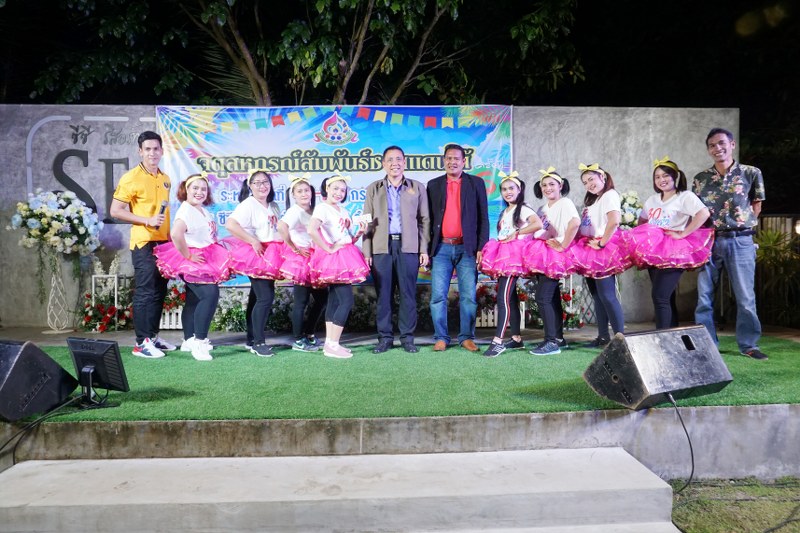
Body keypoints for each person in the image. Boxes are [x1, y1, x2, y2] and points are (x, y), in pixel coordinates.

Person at [692, 128, 768, 360]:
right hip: (710, 241)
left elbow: (756, 204)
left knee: (745, 297)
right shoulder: (700, 179)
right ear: (708, 150)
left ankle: (749, 344)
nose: (718, 148)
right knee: (704, 297)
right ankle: (707, 345)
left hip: (741, 240)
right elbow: (696, 211)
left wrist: (743, 226)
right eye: (712, 145)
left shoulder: (751, 173)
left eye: (722, 143)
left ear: (732, 144)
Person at [110, 130, 176, 358]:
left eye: (156, 149)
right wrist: (146, 220)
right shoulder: (131, 178)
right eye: (147, 149)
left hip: (163, 243)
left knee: (159, 291)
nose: (152, 153)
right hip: (143, 243)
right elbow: (115, 210)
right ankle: (141, 343)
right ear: (140, 151)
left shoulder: (165, 178)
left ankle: (153, 337)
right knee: (146, 292)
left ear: (162, 151)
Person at [154, 174, 232, 360]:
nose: (199, 192)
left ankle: (189, 340)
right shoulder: (186, 210)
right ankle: (200, 342)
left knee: (194, 299)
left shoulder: (202, 210)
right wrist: (187, 255)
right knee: (210, 295)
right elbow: (176, 234)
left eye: (203, 189)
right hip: (193, 261)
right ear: (186, 190)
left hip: (205, 257)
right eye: (195, 188)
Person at [627, 158, 712, 329]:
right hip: (653, 251)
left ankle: (662, 337)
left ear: (675, 176)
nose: (661, 180)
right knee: (667, 297)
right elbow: (642, 221)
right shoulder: (652, 199)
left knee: (660, 296)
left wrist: (683, 233)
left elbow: (704, 214)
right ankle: (672, 334)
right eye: (657, 177)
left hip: (674, 250)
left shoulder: (685, 196)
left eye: (666, 175)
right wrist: (644, 237)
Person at [362, 146, 431, 354]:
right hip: (381, 247)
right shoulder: (373, 188)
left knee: (408, 294)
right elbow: (366, 222)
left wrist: (423, 249)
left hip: (408, 247)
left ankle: (407, 338)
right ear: (383, 164)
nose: (395, 163)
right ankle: (385, 338)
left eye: (399, 159)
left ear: (405, 162)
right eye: (390, 160)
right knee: (384, 295)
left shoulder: (417, 187)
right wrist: (367, 251)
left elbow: (424, 220)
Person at [427, 143, 490, 352]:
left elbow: (483, 218)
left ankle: (466, 337)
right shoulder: (433, 185)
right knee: (438, 296)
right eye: (448, 158)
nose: (452, 162)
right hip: (441, 249)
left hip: (467, 249)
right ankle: (441, 337)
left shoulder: (476, 183)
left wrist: (481, 247)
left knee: (469, 297)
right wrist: (426, 249)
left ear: (464, 162)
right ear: (443, 161)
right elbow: (427, 220)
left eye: (456, 158)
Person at [479, 172, 542, 357]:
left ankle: (497, 341)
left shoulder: (523, 209)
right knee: (510, 298)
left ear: (519, 189)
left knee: (503, 298)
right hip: (503, 255)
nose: (508, 192)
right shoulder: (506, 211)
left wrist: (517, 233)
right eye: (504, 189)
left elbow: (537, 224)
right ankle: (516, 338)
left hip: (513, 257)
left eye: (511, 188)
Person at [308, 175, 370, 358]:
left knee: (335, 301)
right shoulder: (322, 208)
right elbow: (311, 229)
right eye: (335, 188)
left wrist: (359, 233)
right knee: (346, 301)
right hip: (336, 260)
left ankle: (330, 343)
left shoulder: (343, 210)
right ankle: (333, 345)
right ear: (327, 189)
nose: (339, 193)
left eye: (342, 190)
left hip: (346, 254)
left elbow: (346, 238)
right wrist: (327, 248)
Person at [224, 170, 284, 357]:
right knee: (265, 297)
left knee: (257, 298)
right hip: (256, 255)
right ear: (250, 186)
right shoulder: (248, 204)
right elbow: (231, 224)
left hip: (270, 254)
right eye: (257, 183)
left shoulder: (273, 205)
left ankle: (252, 339)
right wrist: (253, 241)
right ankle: (258, 342)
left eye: (265, 182)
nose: (262, 186)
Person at [572, 163, 631, 347]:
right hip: (590, 249)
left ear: (602, 177)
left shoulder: (609, 194)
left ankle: (621, 340)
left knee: (607, 295)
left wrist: (602, 243)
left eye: (591, 179)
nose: (588, 184)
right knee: (597, 296)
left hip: (602, 250)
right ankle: (603, 336)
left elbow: (614, 221)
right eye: (585, 182)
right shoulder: (594, 201)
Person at [526, 167, 580, 356]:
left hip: (554, 256)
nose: (548, 188)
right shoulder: (542, 209)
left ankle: (551, 342)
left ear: (561, 185)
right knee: (552, 297)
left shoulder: (565, 202)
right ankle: (558, 338)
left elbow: (575, 223)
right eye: (544, 185)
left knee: (543, 297)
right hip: (543, 255)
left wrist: (563, 245)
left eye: (552, 184)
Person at [277, 174, 328, 352]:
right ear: (293, 195)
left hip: (314, 258)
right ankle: (298, 339)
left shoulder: (314, 210)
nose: (304, 194)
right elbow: (281, 227)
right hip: (301, 261)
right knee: (301, 301)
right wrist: (294, 247)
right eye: (299, 191)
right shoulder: (294, 211)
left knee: (323, 299)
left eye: (306, 190)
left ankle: (309, 333)